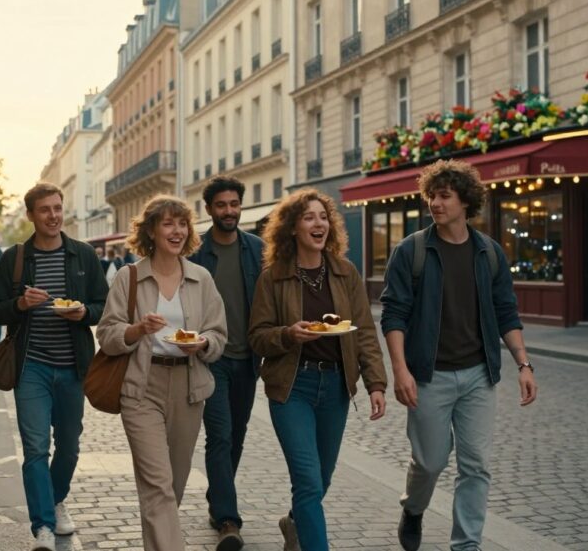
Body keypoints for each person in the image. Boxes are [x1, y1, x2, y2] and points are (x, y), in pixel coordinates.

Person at [380, 160, 538, 551]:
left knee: (476, 466)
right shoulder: (411, 251)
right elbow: (394, 314)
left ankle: (466, 544)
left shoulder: (489, 253)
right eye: (431, 195)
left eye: (444, 196)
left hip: (478, 376)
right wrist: (400, 371)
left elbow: (506, 312)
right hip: (429, 376)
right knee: (430, 462)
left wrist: (523, 363)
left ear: (465, 201)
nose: (435, 202)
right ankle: (413, 508)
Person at [249, 189, 386, 551]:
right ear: (293, 228)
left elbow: (365, 333)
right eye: (309, 217)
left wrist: (376, 382)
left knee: (322, 478)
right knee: (308, 481)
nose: (318, 223)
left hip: (336, 387)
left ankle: (294, 522)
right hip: (292, 387)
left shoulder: (346, 273)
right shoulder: (273, 278)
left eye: (323, 216)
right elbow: (258, 338)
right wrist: (288, 335)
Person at [97, 195, 227, 551]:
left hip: (189, 386)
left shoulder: (201, 278)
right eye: (168, 223)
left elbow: (219, 335)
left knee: (175, 482)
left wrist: (201, 344)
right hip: (142, 387)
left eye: (182, 223)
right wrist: (137, 330)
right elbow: (107, 335)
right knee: (157, 483)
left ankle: (159, 540)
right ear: (151, 231)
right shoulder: (130, 277)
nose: (177, 231)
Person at [0, 183, 109, 551]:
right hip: (32, 367)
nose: (54, 215)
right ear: (31, 215)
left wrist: (84, 312)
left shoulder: (83, 255)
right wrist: (20, 305)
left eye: (57, 208)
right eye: (45, 210)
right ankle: (42, 524)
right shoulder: (16, 258)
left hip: (74, 367)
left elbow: (104, 307)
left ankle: (55, 500)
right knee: (36, 448)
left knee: (69, 447)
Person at [187, 176, 264, 550]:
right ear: (209, 209)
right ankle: (229, 520)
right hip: (210, 358)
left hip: (248, 359)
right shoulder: (197, 254)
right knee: (219, 435)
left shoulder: (257, 250)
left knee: (237, 436)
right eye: (222, 205)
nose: (229, 211)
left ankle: (218, 499)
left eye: (235, 204)